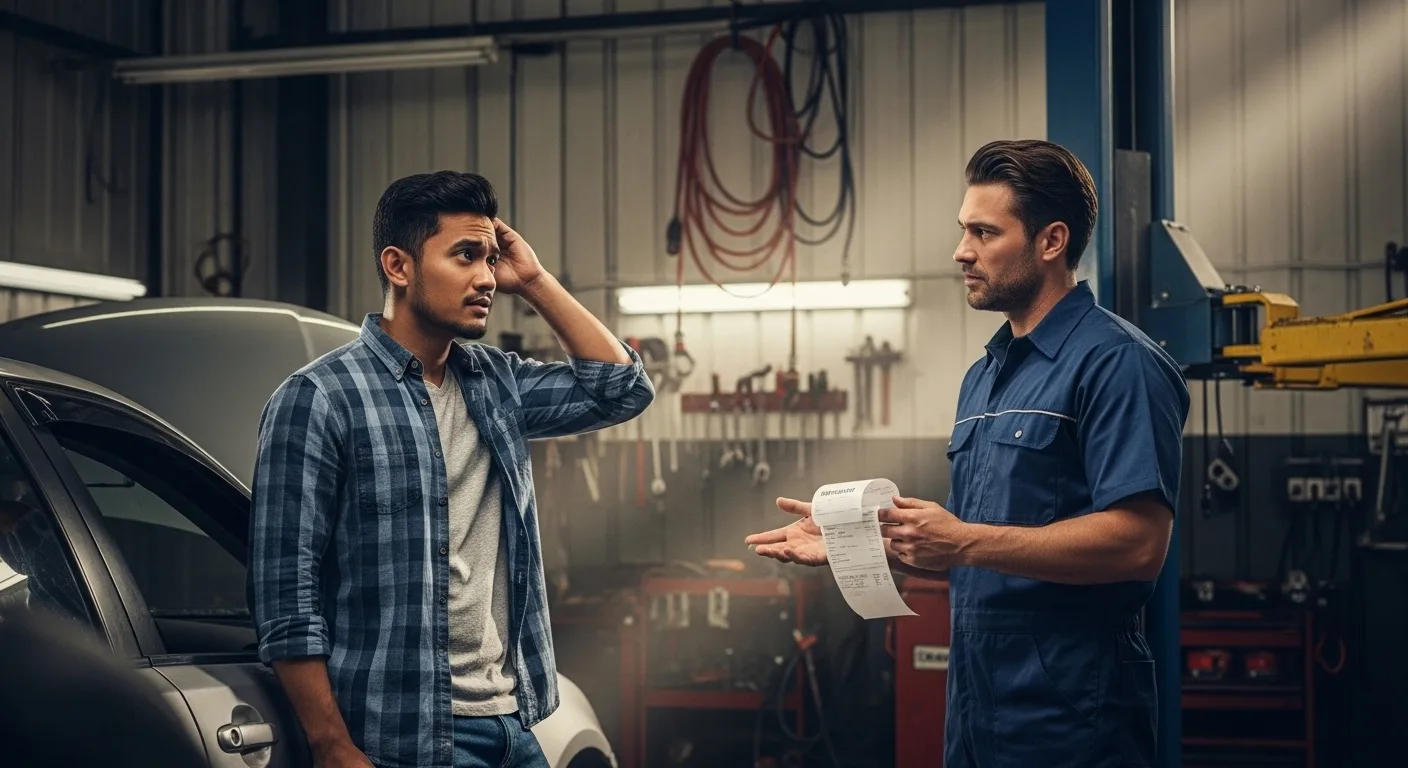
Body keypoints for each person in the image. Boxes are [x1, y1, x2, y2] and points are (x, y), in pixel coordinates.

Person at [745, 139, 1189, 767]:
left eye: (984, 232)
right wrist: (858, 540)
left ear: (1051, 241)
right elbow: (965, 542)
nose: (961, 251)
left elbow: (1140, 544)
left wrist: (964, 542)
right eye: (964, 230)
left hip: (1072, 720)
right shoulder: (987, 375)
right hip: (977, 713)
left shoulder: (1118, 365)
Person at [250, 171, 655, 768]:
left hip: (514, 725)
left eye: (492, 259)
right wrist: (330, 742)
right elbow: (286, 590)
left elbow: (622, 390)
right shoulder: (319, 398)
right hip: (402, 739)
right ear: (398, 265)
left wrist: (537, 280)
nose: (488, 278)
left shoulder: (495, 383)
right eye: (465, 255)